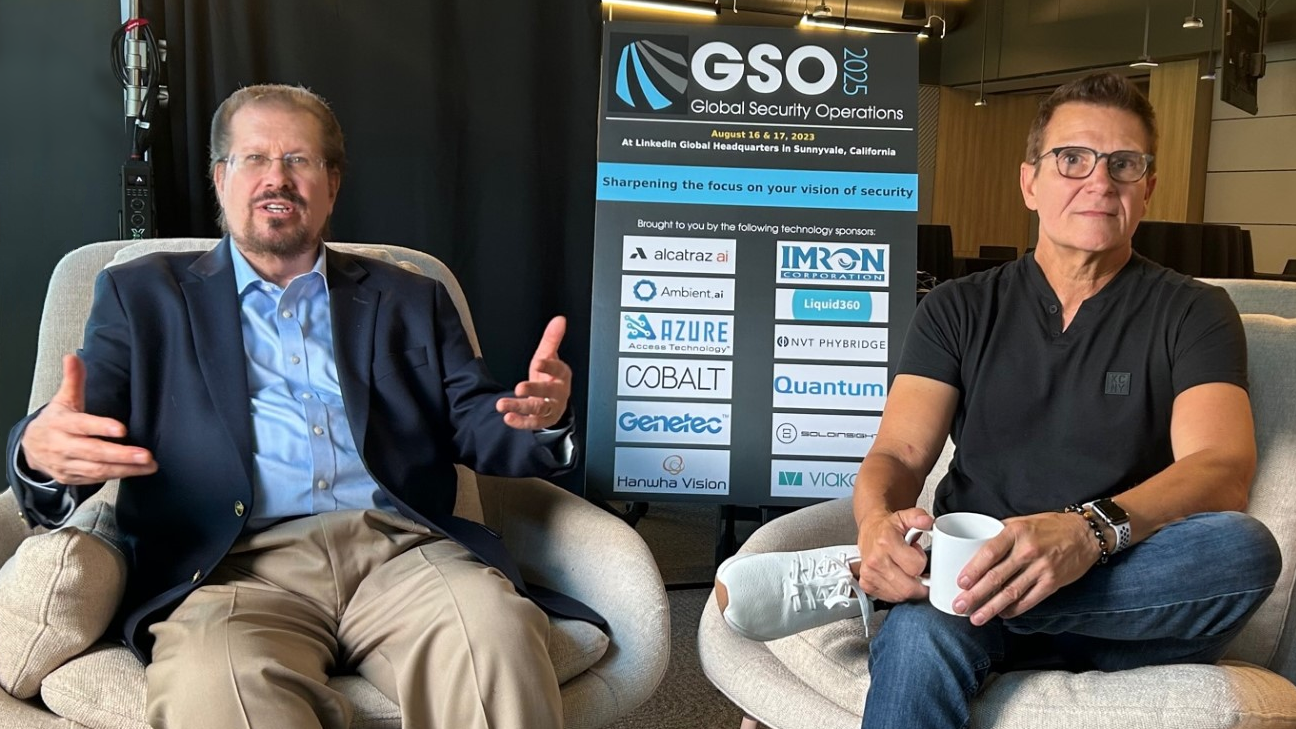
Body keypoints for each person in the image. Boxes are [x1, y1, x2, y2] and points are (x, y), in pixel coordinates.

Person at [4, 84, 599, 729]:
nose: (276, 179)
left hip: (401, 552)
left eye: (299, 160)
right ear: (220, 178)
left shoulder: (410, 296)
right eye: (254, 158)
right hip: (232, 566)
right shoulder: (141, 295)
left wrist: (540, 420)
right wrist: (41, 452)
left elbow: (476, 421)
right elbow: (86, 429)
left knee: (496, 640)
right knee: (216, 689)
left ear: (333, 182)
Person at [715, 72, 1282, 729]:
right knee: (923, 638)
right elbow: (898, 453)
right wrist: (873, 527)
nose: (1100, 181)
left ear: (1147, 188)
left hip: (1121, 595)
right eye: (1073, 159)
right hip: (965, 591)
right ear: (1030, 182)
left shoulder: (1194, 311)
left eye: (1124, 163)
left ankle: (925, 588)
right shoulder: (958, 307)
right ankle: (929, 586)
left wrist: (1086, 532)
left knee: (1241, 551)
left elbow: (1220, 467)